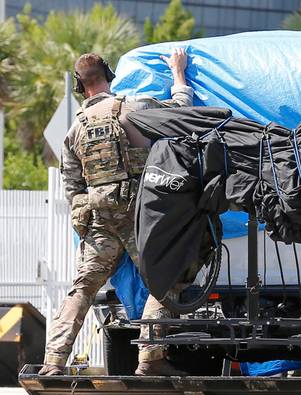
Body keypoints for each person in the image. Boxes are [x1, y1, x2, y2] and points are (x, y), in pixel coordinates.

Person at [40, 49, 194, 377]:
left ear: (81, 88)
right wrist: (178, 75)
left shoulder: (74, 131)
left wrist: (86, 220)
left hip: (100, 219)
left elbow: (72, 187)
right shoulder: (133, 109)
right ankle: (150, 358)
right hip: (140, 216)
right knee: (163, 280)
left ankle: (53, 362)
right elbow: (181, 113)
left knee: (83, 289)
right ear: (109, 76)